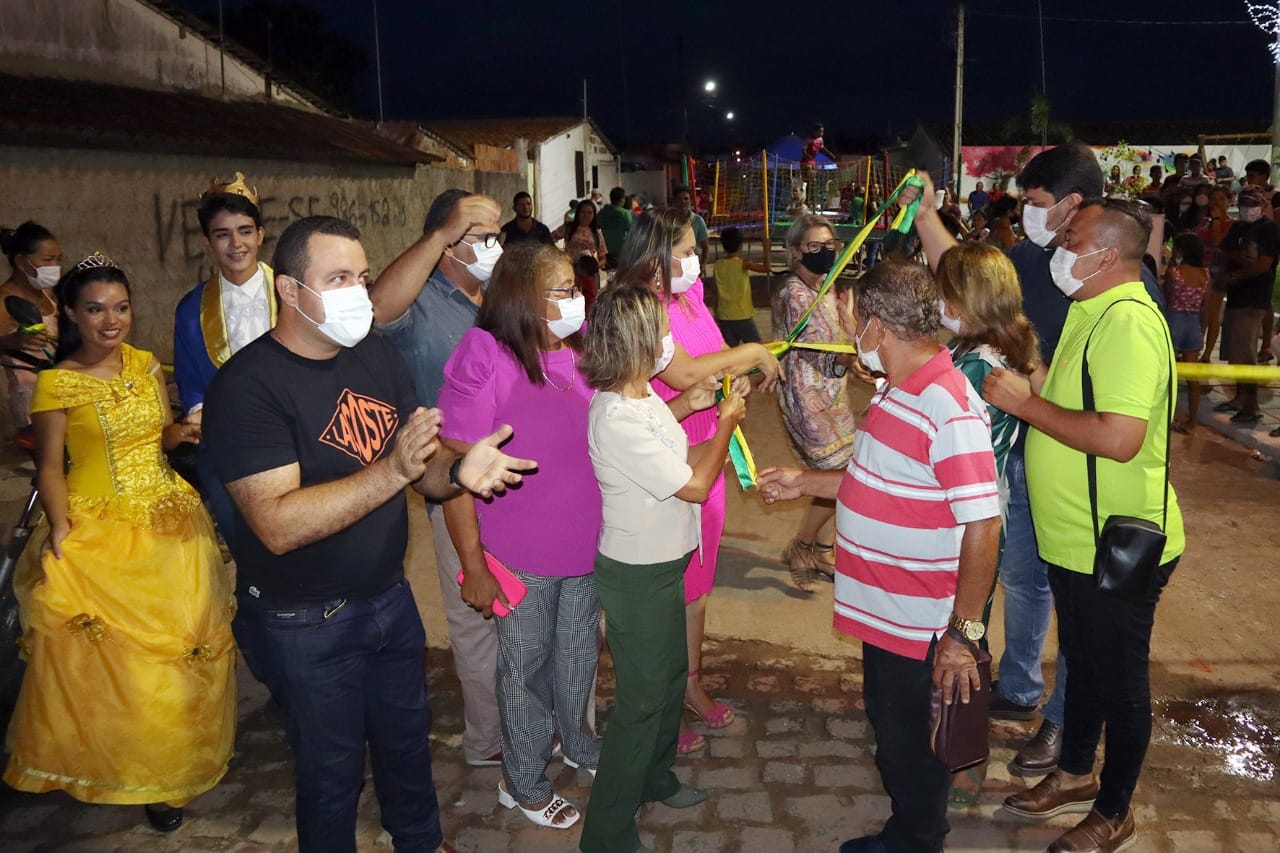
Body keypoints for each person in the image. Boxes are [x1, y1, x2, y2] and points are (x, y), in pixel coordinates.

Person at [205, 216, 535, 853]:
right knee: (332, 774)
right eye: (338, 279)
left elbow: (422, 467)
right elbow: (277, 524)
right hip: (305, 619)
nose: (358, 292)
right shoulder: (248, 387)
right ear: (290, 290)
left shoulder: (375, 356)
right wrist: (394, 471)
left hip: (388, 598)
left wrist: (457, 470)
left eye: (361, 277)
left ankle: (421, 841)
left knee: (406, 744)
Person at [908, 145, 1167, 778]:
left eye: (1038, 203)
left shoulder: (1123, 303)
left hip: (1096, 505)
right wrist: (925, 215)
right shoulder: (1051, 268)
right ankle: (1024, 691)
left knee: (1088, 630)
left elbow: (1119, 433)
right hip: (1035, 474)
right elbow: (968, 280)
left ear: (1076, 209)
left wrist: (1026, 402)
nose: (1029, 215)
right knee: (1027, 584)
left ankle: (1066, 725)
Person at [759, 260, 1002, 853]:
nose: (849, 331)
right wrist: (805, 482)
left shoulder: (947, 405)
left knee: (907, 745)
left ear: (877, 327)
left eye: (852, 318)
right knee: (891, 728)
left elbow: (984, 522)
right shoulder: (898, 387)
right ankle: (910, 829)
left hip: (918, 622)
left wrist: (963, 634)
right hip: (885, 613)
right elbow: (879, 479)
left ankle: (917, 840)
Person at [5, 253, 233, 833]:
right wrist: (60, 528)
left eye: (121, 307)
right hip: (97, 528)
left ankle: (168, 772)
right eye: (96, 309)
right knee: (119, 667)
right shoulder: (57, 383)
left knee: (176, 658)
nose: (112, 321)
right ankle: (118, 767)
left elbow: (158, 437)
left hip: (170, 523)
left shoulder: (145, 363)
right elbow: (50, 467)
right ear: (70, 314)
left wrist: (181, 432)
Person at [985, 199, 1184, 853]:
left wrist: (1026, 406)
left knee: (1119, 681)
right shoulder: (1088, 309)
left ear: (1106, 255)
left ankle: (1115, 809)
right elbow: (1069, 395)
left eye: (1072, 239)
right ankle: (1074, 772)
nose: (1060, 249)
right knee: (1082, 661)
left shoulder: (1127, 322)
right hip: (1076, 538)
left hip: (1117, 542)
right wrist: (1025, 370)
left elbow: (1121, 438)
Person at [438, 243, 600, 831]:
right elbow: (454, 470)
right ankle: (523, 780)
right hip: (521, 551)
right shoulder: (484, 353)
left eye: (575, 288)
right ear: (522, 297)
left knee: (578, 657)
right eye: (562, 290)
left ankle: (578, 744)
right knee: (525, 671)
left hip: (585, 545)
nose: (576, 299)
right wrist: (474, 563)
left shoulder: (579, 349)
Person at [578, 285, 745, 853]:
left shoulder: (643, 395)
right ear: (636, 342)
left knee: (671, 679)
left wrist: (694, 409)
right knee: (641, 701)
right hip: (637, 575)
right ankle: (605, 831)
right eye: (662, 333)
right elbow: (695, 484)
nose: (671, 343)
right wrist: (725, 424)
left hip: (666, 564)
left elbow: (678, 461)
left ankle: (656, 777)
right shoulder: (614, 414)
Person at [614, 206, 781, 756]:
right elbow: (684, 372)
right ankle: (657, 701)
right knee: (665, 589)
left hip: (707, 450)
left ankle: (688, 682)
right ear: (654, 257)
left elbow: (710, 363)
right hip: (664, 461)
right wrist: (752, 351)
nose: (695, 260)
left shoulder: (689, 296)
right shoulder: (638, 310)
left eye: (695, 250)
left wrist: (734, 379)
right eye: (685, 251)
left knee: (697, 586)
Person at [369, 189, 506, 769]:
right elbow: (376, 310)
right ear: (448, 241)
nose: (494, 246)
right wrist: (440, 233)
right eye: (481, 236)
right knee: (475, 613)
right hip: (450, 483)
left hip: (511, 476)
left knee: (516, 611)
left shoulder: (497, 299)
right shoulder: (419, 303)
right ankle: (488, 739)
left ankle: (522, 721)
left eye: (497, 235)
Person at [173, 173, 275, 541]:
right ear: (208, 242)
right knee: (241, 537)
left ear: (261, 234)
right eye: (222, 234)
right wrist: (199, 411)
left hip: (295, 438)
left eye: (245, 231)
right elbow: (190, 381)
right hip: (226, 447)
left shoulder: (293, 294)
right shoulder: (190, 310)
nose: (236, 244)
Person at [771, 215, 856, 592]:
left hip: (833, 395)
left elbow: (838, 338)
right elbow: (819, 345)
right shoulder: (795, 294)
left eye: (829, 245)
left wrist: (848, 330)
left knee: (840, 476)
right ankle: (803, 546)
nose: (824, 252)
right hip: (807, 400)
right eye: (814, 246)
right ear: (795, 252)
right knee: (839, 479)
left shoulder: (825, 284)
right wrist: (853, 354)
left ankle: (821, 549)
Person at [1214, 186, 1280, 423]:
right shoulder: (1239, 227)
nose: (1248, 209)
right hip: (1236, 295)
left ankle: (1251, 406)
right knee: (1235, 351)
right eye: (1244, 204)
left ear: (1263, 205)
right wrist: (1241, 260)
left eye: (1253, 204)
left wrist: (1234, 273)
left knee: (1245, 351)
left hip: (1254, 297)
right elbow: (1224, 249)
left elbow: (1263, 264)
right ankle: (1240, 398)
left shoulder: (1268, 229)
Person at [0, 221, 60, 429]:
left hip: (62, 395)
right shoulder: (3, 300)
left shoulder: (48, 294)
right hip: (32, 404)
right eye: (48, 260)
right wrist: (13, 341)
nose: (55, 266)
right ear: (21, 262)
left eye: (58, 259)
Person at [1164, 233, 1210, 433]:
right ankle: (1192, 422)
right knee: (1192, 377)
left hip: (1174, 320)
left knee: (1168, 374)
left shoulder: (1174, 272)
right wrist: (1202, 331)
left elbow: (1166, 298)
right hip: (1193, 324)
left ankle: (1167, 416)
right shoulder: (1205, 275)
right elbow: (1205, 307)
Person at [711, 226, 767, 346]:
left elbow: (716, 291)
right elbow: (766, 268)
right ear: (740, 245)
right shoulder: (742, 264)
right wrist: (766, 249)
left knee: (731, 350)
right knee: (757, 347)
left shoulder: (717, 265)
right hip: (742, 314)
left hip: (724, 315)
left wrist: (716, 312)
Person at [1198, 186, 1235, 361]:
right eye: (1214, 199)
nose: (1217, 203)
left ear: (1228, 201)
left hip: (1219, 270)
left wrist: (1217, 220)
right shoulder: (1204, 221)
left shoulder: (1230, 223)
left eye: (1221, 199)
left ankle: (1207, 352)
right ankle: (1196, 346)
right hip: (1201, 268)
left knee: (1212, 313)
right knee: (1201, 312)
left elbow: (1218, 241)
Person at [553, 198, 607, 262]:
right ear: (578, 213)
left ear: (594, 215)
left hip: (589, 267)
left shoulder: (597, 233)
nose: (586, 215)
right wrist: (559, 254)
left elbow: (603, 258)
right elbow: (550, 238)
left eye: (589, 213)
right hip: (570, 266)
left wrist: (596, 266)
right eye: (583, 212)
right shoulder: (569, 227)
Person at [800, 123, 836, 211]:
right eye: (820, 131)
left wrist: (830, 154)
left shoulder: (820, 139)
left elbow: (822, 149)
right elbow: (803, 150)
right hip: (806, 162)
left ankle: (810, 201)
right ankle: (806, 201)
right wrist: (807, 156)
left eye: (823, 131)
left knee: (813, 182)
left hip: (813, 162)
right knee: (809, 181)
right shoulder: (808, 139)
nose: (822, 133)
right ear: (815, 131)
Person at [673, 185, 710, 268]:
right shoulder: (668, 221)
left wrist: (702, 265)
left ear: (691, 201)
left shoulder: (698, 221)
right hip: (674, 263)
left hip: (693, 263)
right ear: (674, 201)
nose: (683, 202)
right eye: (679, 199)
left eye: (686, 199)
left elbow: (705, 247)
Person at [597, 186, 634, 268]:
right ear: (622, 199)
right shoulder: (625, 213)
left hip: (604, 252)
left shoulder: (602, 212)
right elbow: (632, 231)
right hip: (621, 252)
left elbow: (596, 227)